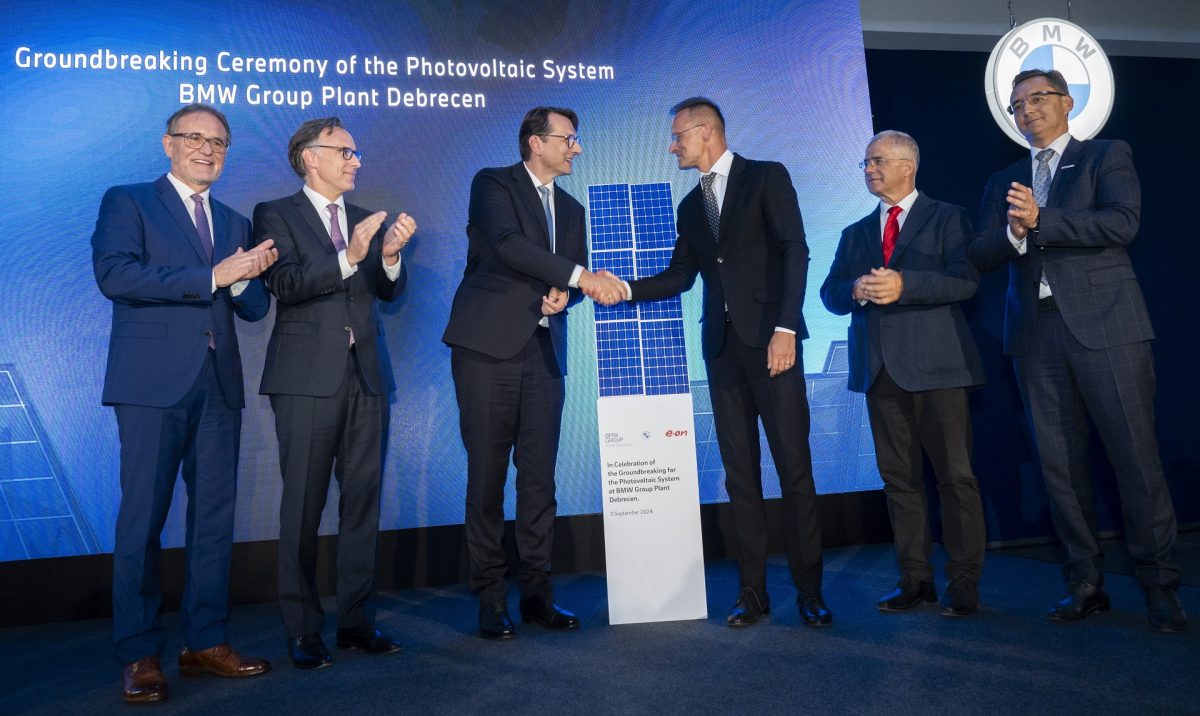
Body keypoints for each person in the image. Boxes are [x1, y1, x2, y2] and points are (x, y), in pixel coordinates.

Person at [970, 69, 1187, 632]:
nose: (1027, 110)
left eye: (1037, 98)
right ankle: (1085, 582)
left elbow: (1122, 223)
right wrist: (1015, 234)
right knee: (1060, 468)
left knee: (1134, 459)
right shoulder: (1004, 179)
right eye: (1017, 105)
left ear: (1067, 103)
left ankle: (1159, 583)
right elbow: (981, 251)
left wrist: (1042, 220)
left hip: (1108, 328)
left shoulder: (1105, 156)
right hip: (1034, 336)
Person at [613, 97, 830, 628]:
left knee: (794, 469)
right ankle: (752, 592)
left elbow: (796, 250)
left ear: (705, 131)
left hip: (773, 345)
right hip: (722, 351)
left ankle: (809, 589)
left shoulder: (767, 177)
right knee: (740, 476)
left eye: (678, 136)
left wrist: (785, 328)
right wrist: (623, 289)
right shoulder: (691, 207)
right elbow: (680, 276)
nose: (672, 146)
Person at [91, 103, 276, 703]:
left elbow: (254, 308)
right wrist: (212, 277)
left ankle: (205, 641)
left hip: (218, 385)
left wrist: (243, 278)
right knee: (141, 521)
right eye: (194, 137)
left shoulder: (234, 220)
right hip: (150, 385)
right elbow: (116, 276)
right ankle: (138, 652)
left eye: (218, 142)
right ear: (168, 144)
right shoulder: (128, 201)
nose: (206, 149)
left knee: (214, 520)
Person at [443, 106, 622, 640]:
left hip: (544, 353)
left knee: (540, 480)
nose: (577, 148)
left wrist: (566, 296)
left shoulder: (572, 209)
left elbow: (571, 285)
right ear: (535, 142)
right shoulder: (493, 184)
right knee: (487, 477)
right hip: (487, 350)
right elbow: (508, 246)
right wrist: (581, 278)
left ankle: (538, 594)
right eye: (569, 138)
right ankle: (490, 598)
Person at [255, 117, 416, 667]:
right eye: (345, 151)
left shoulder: (366, 219)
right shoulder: (275, 214)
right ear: (310, 157)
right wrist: (350, 255)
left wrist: (389, 257)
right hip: (305, 380)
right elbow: (286, 284)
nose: (356, 160)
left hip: (367, 376)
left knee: (363, 504)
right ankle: (302, 628)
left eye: (355, 151)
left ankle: (356, 622)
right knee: (302, 505)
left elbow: (387, 295)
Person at [820, 130, 987, 617]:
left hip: (939, 369)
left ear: (908, 166)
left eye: (877, 161)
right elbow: (830, 293)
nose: (869, 169)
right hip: (880, 371)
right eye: (865, 163)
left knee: (955, 478)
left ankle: (964, 581)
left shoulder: (948, 217)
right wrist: (855, 289)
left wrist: (904, 285)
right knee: (899, 482)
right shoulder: (855, 233)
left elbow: (965, 280)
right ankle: (914, 579)